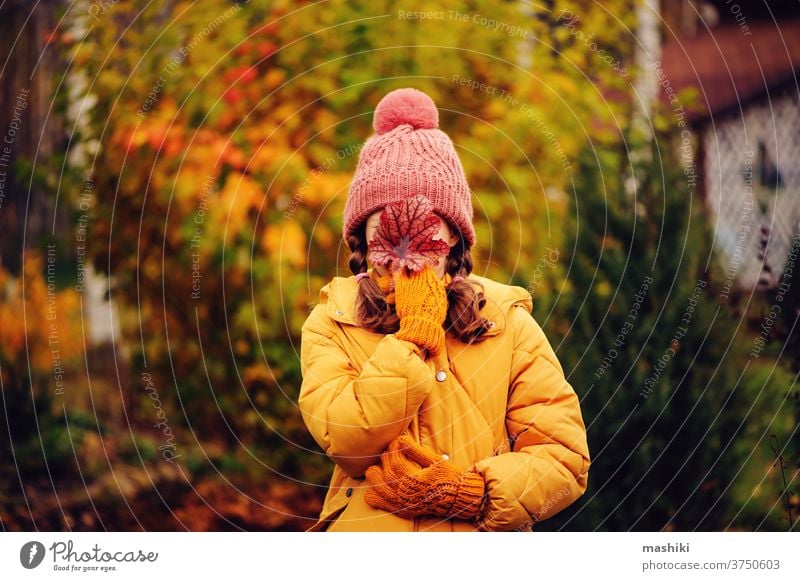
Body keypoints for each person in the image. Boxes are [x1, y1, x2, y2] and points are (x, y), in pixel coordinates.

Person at [298, 87, 590, 532]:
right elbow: (347, 440)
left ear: (454, 234)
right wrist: (410, 339)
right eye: (387, 229)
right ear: (362, 236)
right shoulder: (333, 321)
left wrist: (474, 494)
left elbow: (563, 458)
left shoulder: (506, 321)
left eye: (425, 228)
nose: (406, 249)